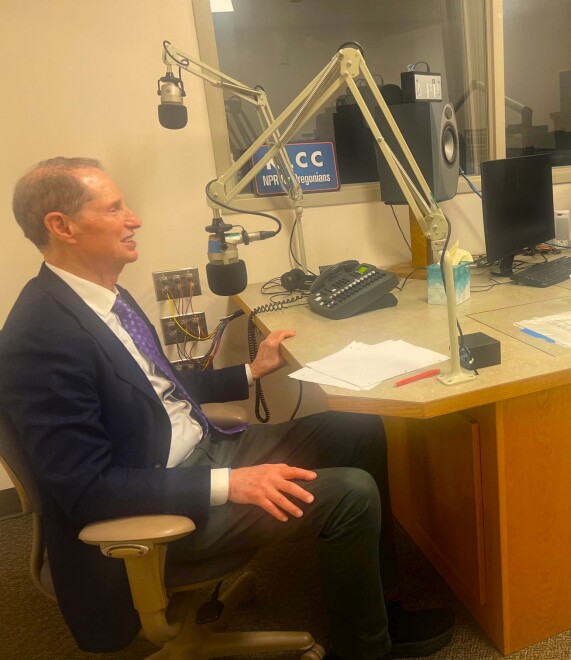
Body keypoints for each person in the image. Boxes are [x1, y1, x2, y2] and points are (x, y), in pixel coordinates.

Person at [0, 157, 453, 659]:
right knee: (351, 493)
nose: (135, 219)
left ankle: (377, 605)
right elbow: (85, 490)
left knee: (357, 428)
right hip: (159, 502)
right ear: (61, 227)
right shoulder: (40, 338)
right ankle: (366, 649)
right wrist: (233, 483)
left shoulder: (103, 295)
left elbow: (153, 387)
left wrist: (250, 372)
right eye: (114, 208)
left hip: (203, 451)